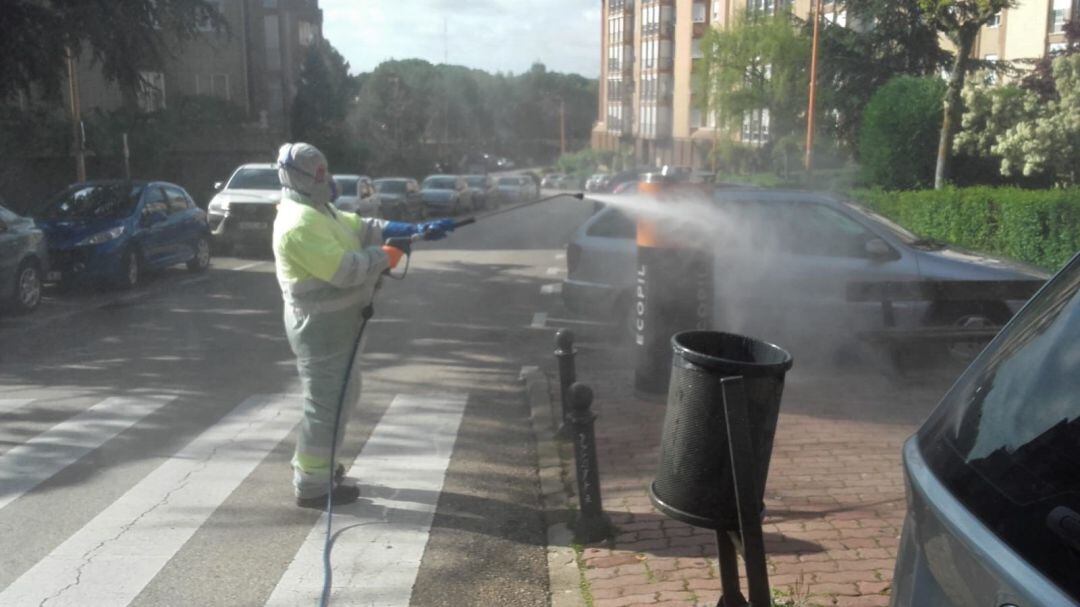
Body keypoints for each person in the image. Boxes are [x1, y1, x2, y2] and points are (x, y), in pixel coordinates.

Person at [272, 142, 454, 508]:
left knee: (342, 397)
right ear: (301, 178)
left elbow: (362, 226)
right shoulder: (298, 223)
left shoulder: (320, 210)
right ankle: (311, 484)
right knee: (324, 407)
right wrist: (388, 253)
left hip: (341, 326)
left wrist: (411, 229)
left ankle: (321, 468)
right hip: (320, 330)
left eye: (326, 170)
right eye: (321, 174)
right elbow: (346, 269)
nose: (328, 179)